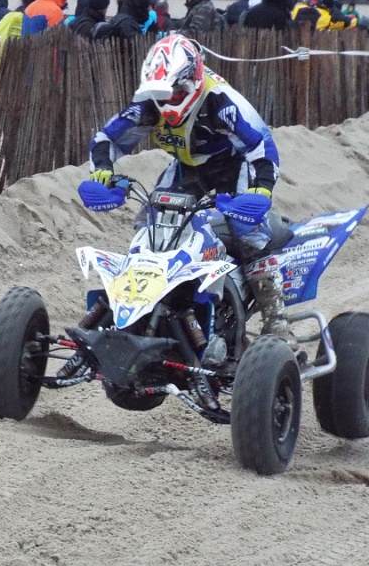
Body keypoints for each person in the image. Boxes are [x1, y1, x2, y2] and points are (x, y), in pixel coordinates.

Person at [86, 34, 295, 366]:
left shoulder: (222, 103)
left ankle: (277, 320)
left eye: (176, 92)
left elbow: (261, 147)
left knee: (249, 233)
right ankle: (147, 306)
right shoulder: (150, 105)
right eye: (162, 94)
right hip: (186, 169)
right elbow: (106, 138)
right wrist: (102, 171)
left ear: (193, 78)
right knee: (149, 222)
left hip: (234, 167)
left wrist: (261, 190)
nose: (169, 101)